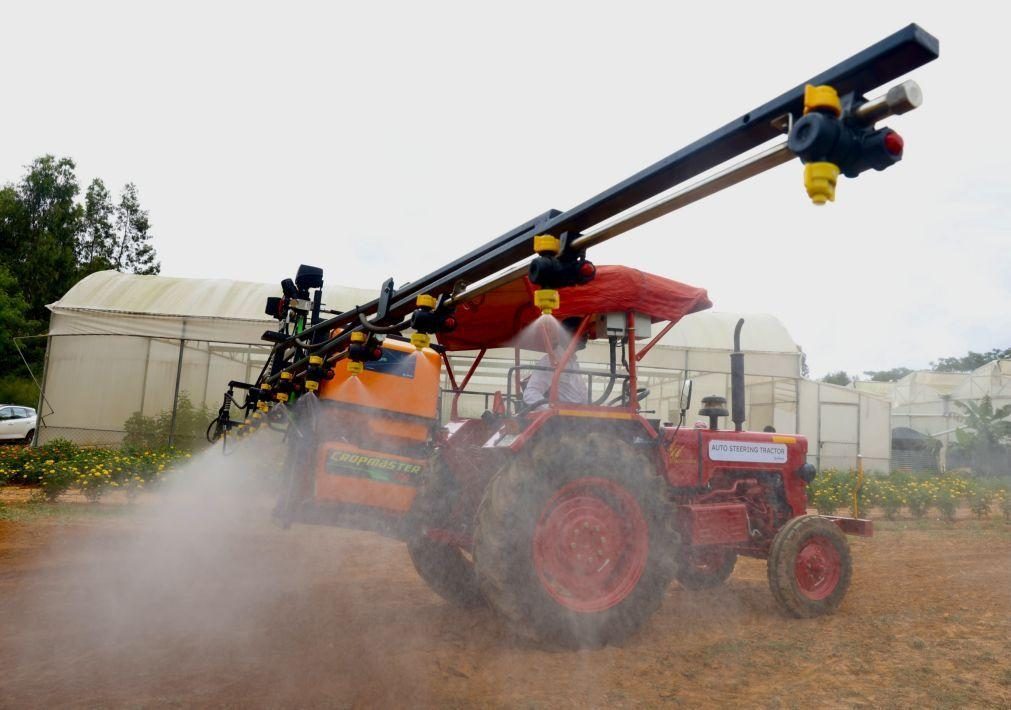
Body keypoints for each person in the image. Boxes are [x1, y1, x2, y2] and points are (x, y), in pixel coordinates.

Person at [522, 317, 589, 407]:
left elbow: (582, 394)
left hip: (575, 415)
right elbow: (530, 393)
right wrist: (550, 410)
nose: (587, 336)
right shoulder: (549, 362)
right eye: (583, 332)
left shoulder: (573, 362)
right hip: (562, 417)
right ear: (567, 335)